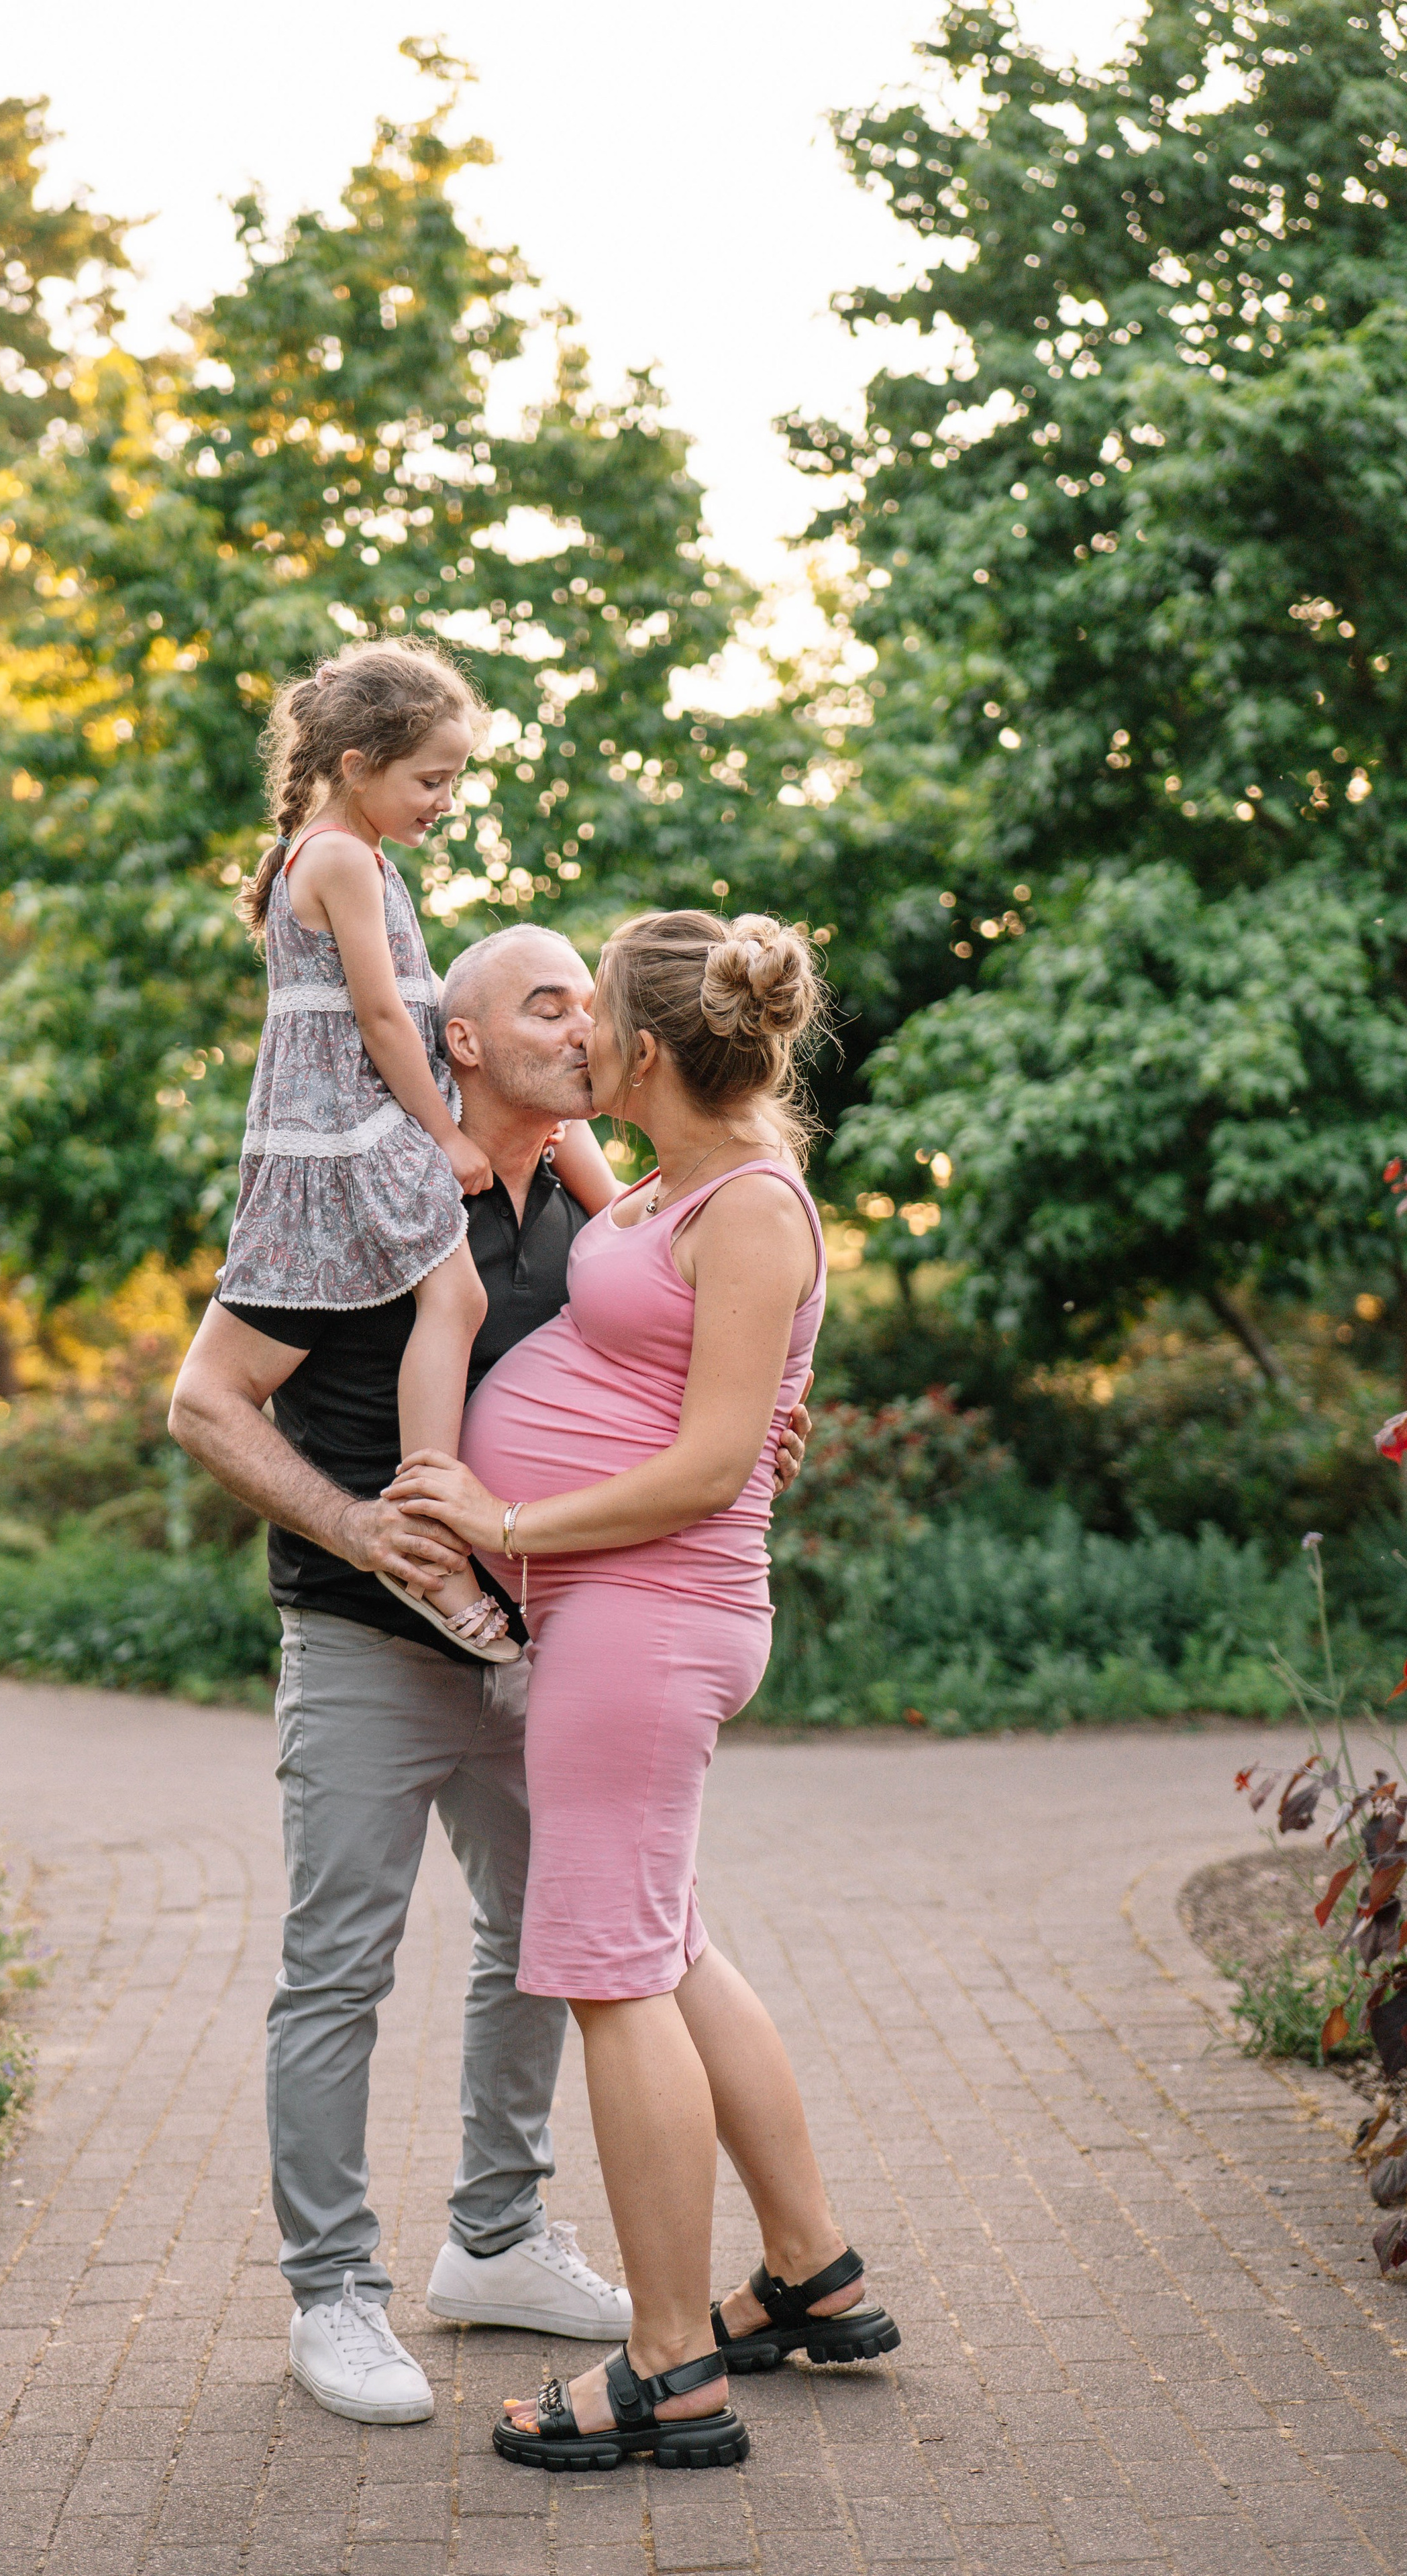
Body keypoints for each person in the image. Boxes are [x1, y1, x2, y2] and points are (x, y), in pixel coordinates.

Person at [169, 920, 813, 2430]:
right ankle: (333, 2292)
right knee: (339, 1967)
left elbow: (695, 1335)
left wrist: (765, 1420)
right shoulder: (355, 1193)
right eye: (545, 1003)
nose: (582, 1024)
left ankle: (499, 2239)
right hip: (364, 1638)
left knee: (545, 1948)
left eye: (590, 1004)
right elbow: (204, 1401)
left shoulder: (595, 1203)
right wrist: (361, 1533)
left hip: (547, 1641)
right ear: (456, 1042)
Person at [386, 910, 900, 2474]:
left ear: (654, 1052)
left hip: (643, 1620)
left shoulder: (748, 1204)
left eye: (596, 1017)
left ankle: (670, 2364)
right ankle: (808, 2271)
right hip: (628, 1618)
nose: (579, 1039)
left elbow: (704, 1462)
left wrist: (505, 1519)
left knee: (609, 1977)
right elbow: (657, 1347)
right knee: (664, 1949)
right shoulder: (669, 1179)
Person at [220, 636, 611, 1662]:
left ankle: (633, 1222)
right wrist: (442, 1133)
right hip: (350, 1123)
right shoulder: (343, 856)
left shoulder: (357, 852)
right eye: (432, 779)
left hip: (368, 1109)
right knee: (457, 1296)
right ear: (357, 765)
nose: (446, 800)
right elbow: (389, 1021)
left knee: (551, 1162)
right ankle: (432, 1528)